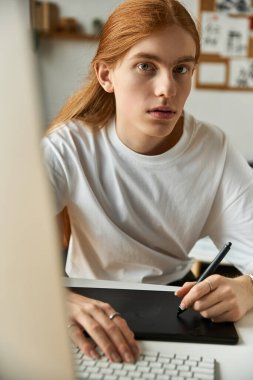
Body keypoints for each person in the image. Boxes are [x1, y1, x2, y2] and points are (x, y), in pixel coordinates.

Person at [42, 0, 253, 363]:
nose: (167, 89)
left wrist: (248, 289)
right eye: (146, 66)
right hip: (84, 303)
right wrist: (53, 299)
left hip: (176, 307)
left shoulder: (213, 149)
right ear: (106, 75)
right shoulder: (68, 145)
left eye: (181, 69)